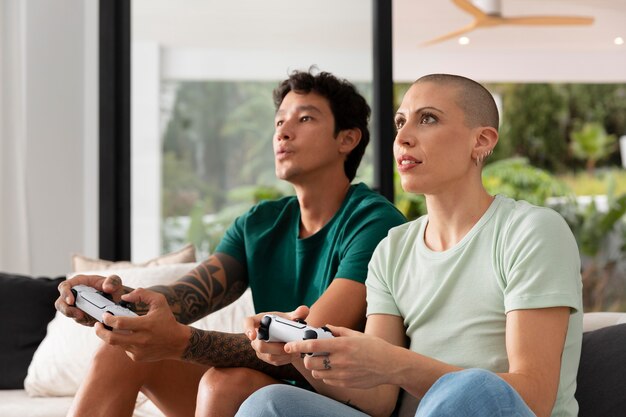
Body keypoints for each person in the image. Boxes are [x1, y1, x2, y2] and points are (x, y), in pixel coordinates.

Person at [55, 69, 406, 417]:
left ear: (347, 139)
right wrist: (117, 302)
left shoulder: (374, 222)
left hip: (335, 398)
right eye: (279, 121)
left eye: (305, 118)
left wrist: (183, 341)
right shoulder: (259, 224)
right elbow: (183, 299)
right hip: (265, 385)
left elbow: (304, 345)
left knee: (226, 383)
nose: (284, 130)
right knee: (121, 351)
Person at [238, 73, 583, 417]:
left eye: (428, 119)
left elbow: (533, 398)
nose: (402, 137)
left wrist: (397, 364)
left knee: (471, 389)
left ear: (481, 141)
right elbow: (380, 400)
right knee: (267, 404)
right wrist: (298, 349)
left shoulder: (531, 231)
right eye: (400, 122)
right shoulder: (393, 249)